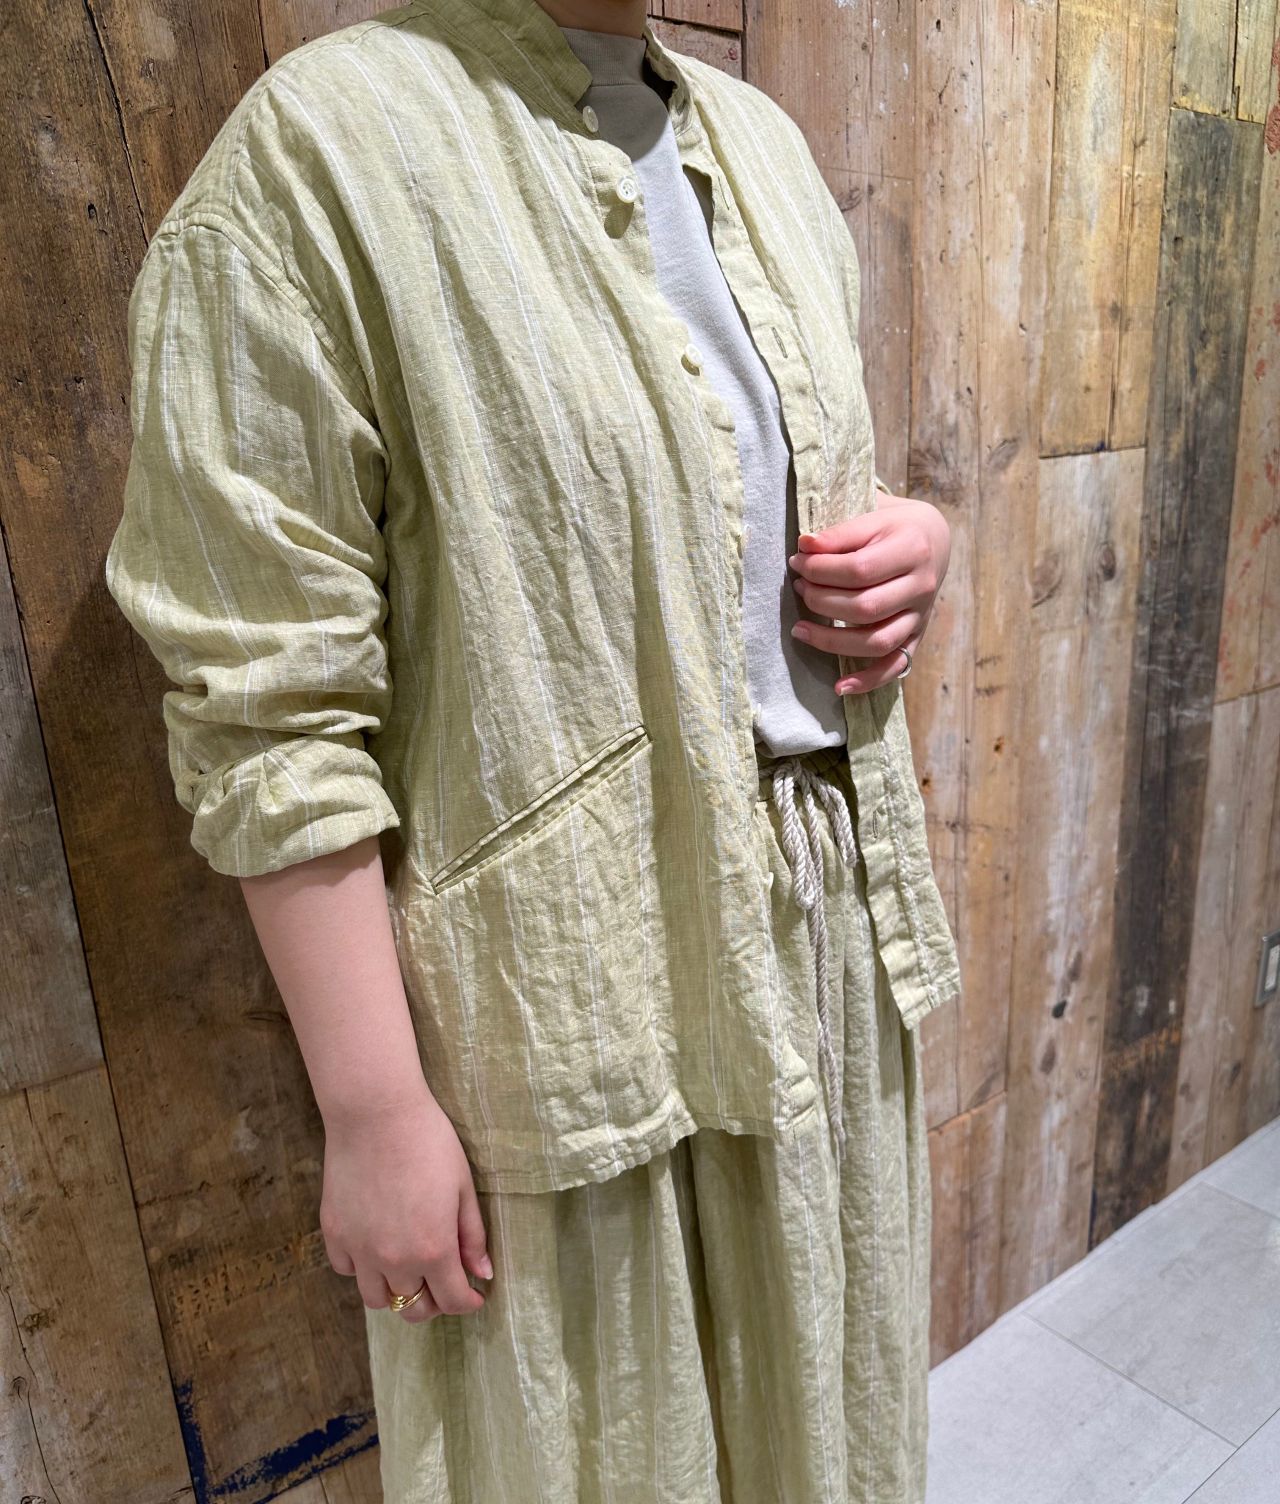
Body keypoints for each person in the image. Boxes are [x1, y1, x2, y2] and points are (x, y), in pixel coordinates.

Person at [104, 0, 962, 1496]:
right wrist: (373, 1109)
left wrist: (913, 540)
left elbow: (743, 494)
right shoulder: (320, 156)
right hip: (570, 1009)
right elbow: (265, 699)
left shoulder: (761, 146)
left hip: (827, 948)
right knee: (609, 1451)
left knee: (833, 1437)